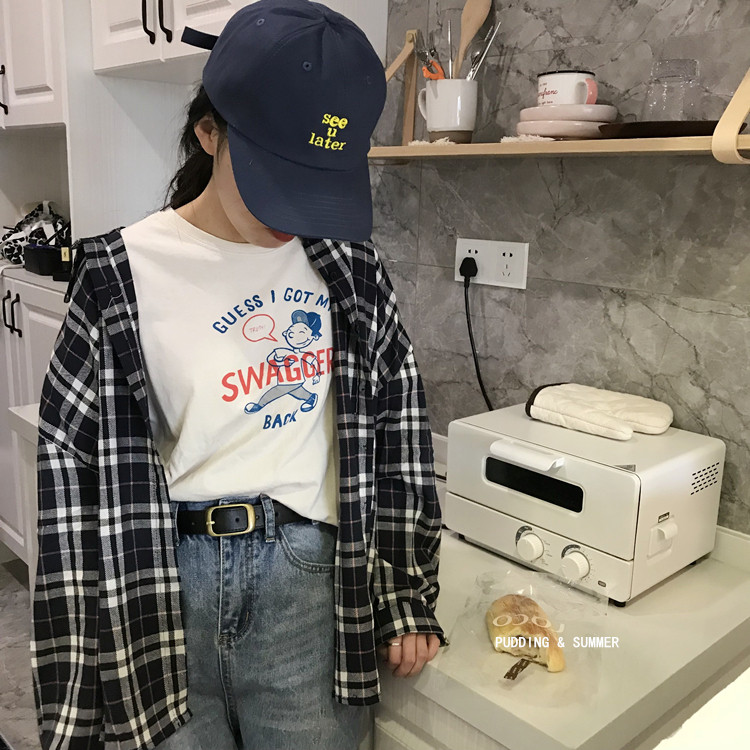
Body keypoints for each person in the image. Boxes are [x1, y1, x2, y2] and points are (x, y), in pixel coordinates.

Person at [31, 2, 447, 749]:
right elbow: (71, 480)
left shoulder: (349, 269)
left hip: (309, 590)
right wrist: (75, 688)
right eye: (275, 176)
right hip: (159, 588)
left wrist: (402, 592)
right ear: (209, 132)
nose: (295, 213)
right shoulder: (117, 277)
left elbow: (398, 432)